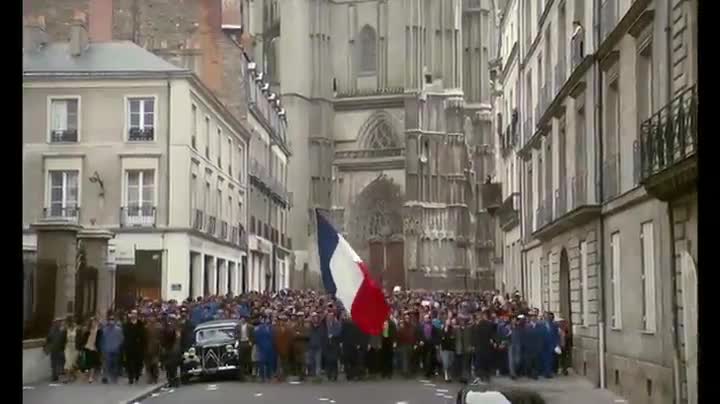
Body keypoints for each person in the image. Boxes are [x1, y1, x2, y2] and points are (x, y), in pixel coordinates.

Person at [472, 310, 497, 382]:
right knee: (483, 361)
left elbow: (476, 336)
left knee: (482, 361)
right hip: (483, 346)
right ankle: (484, 376)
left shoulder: (482, 324)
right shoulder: (478, 325)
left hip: (483, 346)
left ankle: (482, 376)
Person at [123, 310, 146, 384]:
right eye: (132, 313)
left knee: (138, 363)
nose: (133, 315)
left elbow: (144, 336)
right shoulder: (127, 325)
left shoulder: (140, 324)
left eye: (135, 314)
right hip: (129, 347)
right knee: (129, 363)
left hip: (138, 347)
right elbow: (125, 335)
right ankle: (130, 377)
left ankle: (137, 375)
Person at [100, 314, 124, 384]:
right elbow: (102, 340)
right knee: (107, 364)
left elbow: (121, 339)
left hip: (115, 349)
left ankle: (114, 377)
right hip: (107, 350)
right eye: (110, 320)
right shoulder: (104, 330)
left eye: (112, 320)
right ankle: (106, 377)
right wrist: (102, 348)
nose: (111, 321)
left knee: (115, 364)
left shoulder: (119, 330)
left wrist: (118, 345)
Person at [79, 317, 102, 383]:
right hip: (87, 347)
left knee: (93, 363)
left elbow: (100, 339)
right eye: (92, 322)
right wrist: (82, 346)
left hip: (94, 348)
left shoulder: (99, 330)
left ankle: (91, 377)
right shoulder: (87, 330)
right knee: (88, 362)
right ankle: (87, 374)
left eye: (95, 322)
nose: (93, 323)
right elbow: (83, 339)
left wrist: (98, 347)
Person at [416, 314, 439, 379]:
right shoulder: (421, 326)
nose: (425, 319)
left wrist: (435, 343)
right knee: (424, 358)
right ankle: (426, 370)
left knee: (428, 358)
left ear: (429, 319)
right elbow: (419, 334)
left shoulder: (433, 327)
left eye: (426, 318)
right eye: (424, 318)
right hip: (423, 344)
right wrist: (420, 340)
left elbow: (436, 336)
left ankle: (428, 372)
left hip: (431, 345)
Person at [45, 317, 67, 383]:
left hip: (61, 349)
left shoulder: (63, 330)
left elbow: (65, 339)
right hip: (54, 349)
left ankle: (62, 377)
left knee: (61, 363)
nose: (58, 323)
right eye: (57, 322)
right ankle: (54, 376)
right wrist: (47, 348)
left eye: (59, 322)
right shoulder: (51, 330)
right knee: (54, 363)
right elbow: (48, 339)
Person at [254, 315, 275, 382]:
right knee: (262, 362)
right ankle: (262, 377)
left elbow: (273, 337)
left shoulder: (271, 327)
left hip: (270, 348)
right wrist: (259, 345)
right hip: (262, 348)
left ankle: (269, 376)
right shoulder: (259, 328)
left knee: (269, 362)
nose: (266, 321)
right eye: (265, 319)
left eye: (267, 320)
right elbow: (256, 338)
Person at [540, 312, 560, 379]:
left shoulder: (554, 325)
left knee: (550, 359)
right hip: (543, 345)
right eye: (545, 316)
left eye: (548, 316)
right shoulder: (540, 324)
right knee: (544, 359)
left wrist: (557, 344)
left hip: (551, 344)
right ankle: (545, 372)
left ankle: (548, 372)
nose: (547, 317)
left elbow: (557, 336)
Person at [273, 315, 293, 381]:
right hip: (278, 349)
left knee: (285, 363)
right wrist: (276, 347)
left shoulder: (288, 329)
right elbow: (275, 339)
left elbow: (290, 340)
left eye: (284, 321)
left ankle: (285, 376)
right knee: (279, 363)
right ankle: (279, 376)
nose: (282, 322)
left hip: (286, 349)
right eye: (281, 321)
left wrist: (288, 348)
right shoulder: (276, 329)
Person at [236, 315, 254, 380]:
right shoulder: (237, 327)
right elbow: (235, 334)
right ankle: (242, 376)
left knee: (249, 360)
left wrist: (251, 342)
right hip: (241, 343)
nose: (242, 320)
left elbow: (253, 335)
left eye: (243, 319)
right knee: (241, 360)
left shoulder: (250, 327)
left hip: (247, 343)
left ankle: (251, 374)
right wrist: (237, 339)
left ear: (245, 320)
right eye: (241, 319)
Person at [440, 317, 456, 382]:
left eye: (449, 322)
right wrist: (444, 333)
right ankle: (446, 375)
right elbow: (441, 338)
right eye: (447, 322)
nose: (448, 323)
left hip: (451, 348)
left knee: (450, 362)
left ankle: (449, 375)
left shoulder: (452, 329)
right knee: (445, 362)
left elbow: (453, 337)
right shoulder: (443, 329)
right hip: (445, 348)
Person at [63, 316, 80, 382]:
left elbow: (80, 338)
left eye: (72, 322)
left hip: (75, 347)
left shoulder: (77, 329)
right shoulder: (66, 329)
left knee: (73, 363)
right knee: (68, 362)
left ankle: (73, 375)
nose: (71, 323)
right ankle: (67, 378)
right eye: (69, 322)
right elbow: (63, 338)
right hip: (68, 347)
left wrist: (80, 347)